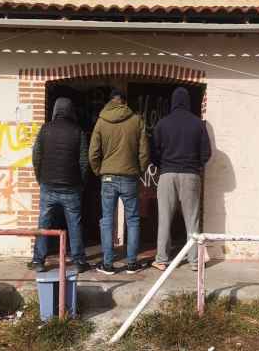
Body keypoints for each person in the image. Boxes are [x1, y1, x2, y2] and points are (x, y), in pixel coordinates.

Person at [89, 89, 149, 275]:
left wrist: (100, 171)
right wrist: (138, 170)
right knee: (132, 220)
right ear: (124, 102)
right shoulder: (136, 120)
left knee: (107, 220)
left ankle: (107, 264)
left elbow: (93, 153)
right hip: (130, 177)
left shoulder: (101, 121)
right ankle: (132, 263)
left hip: (107, 177)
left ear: (110, 102)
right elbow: (144, 152)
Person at [151, 87, 211, 271]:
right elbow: (206, 153)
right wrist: (195, 165)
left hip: (167, 174)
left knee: (164, 218)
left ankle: (161, 259)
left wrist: (164, 165)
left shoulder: (162, 124)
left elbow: (153, 152)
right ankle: (194, 262)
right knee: (192, 220)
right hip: (191, 174)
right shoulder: (198, 124)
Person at [28, 97, 90, 273]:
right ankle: (78, 261)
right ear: (71, 111)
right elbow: (84, 162)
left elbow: (36, 157)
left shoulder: (45, 129)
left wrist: (40, 178)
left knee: (44, 223)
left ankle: (38, 261)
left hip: (48, 184)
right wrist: (81, 183)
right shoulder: (78, 131)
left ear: (55, 110)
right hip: (71, 186)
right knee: (74, 224)